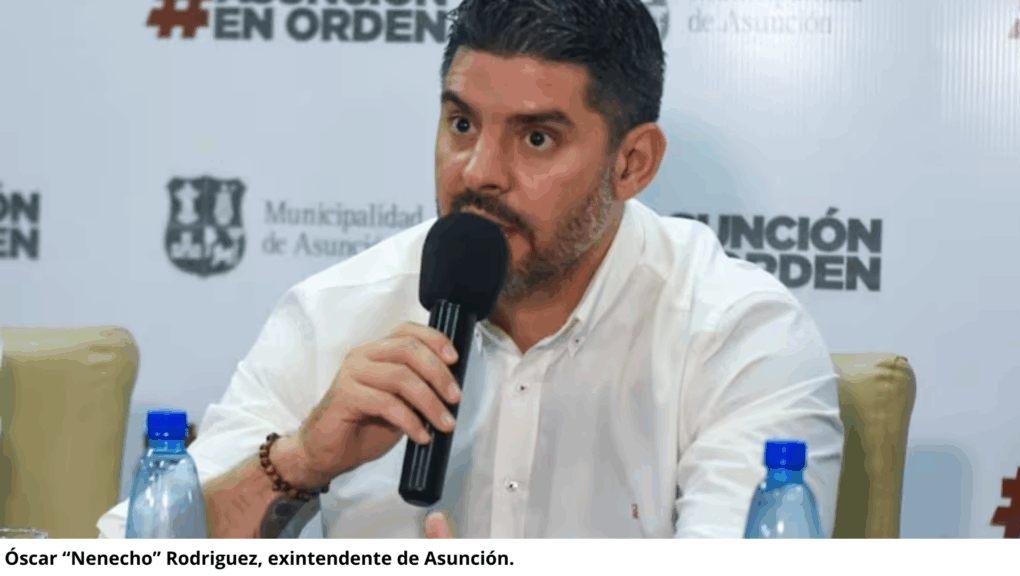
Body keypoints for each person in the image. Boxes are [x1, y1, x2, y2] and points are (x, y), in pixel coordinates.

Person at [98, 0, 843, 539]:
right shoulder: (339, 311)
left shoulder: (738, 332)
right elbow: (133, 552)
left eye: (537, 139)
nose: (479, 171)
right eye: (461, 124)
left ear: (632, 162)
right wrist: (297, 462)